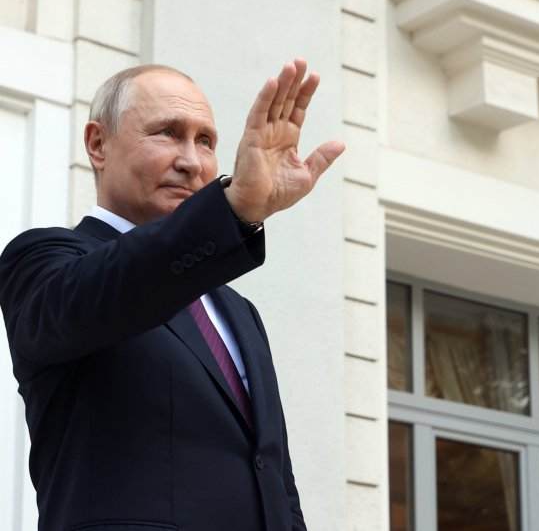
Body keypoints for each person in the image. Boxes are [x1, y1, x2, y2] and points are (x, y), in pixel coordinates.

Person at [0, 59, 344, 531]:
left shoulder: (238, 312)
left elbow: (276, 481)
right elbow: (116, 286)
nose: (191, 162)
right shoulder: (45, 261)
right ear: (98, 144)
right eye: (167, 133)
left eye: (205, 141)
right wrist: (234, 208)